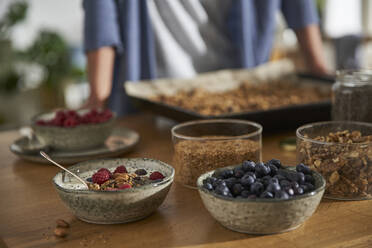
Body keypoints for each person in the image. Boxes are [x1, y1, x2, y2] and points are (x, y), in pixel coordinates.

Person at [83, 0, 328, 116]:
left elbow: (299, 5)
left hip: (242, 95)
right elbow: (102, 18)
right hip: (155, 102)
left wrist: (317, 66)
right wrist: (98, 96)